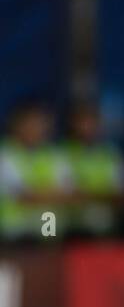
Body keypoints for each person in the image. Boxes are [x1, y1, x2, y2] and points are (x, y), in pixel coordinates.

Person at [0, 99, 71, 242]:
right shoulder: (5, 154)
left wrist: (38, 193)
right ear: (16, 124)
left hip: (49, 233)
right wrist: (52, 193)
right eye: (30, 123)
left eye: (40, 124)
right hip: (13, 235)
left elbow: (71, 194)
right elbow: (24, 196)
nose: (35, 129)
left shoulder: (55, 155)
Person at [63, 101, 124, 236]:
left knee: (100, 217)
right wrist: (102, 195)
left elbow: (123, 196)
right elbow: (64, 196)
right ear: (72, 123)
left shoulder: (111, 155)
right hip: (69, 224)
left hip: (105, 225)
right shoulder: (62, 153)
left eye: (92, 121)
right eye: (82, 121)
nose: (87, 127)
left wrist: (88, 195)